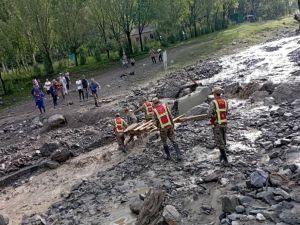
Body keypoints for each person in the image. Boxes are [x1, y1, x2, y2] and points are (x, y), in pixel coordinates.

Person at [208, 87, 229, 165]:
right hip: (224, 122)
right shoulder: (225, 101)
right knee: (223, 138)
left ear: (214, 94)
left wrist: (214, 116)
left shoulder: (214, 102)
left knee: (219, 141)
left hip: (217, 124)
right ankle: (221, 157)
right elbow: (226, 112)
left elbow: (209, 114)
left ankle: (225, 159)